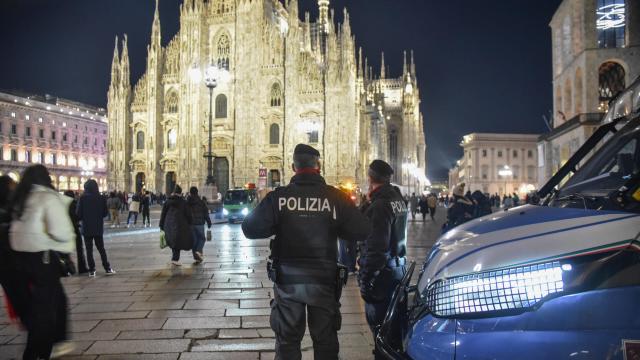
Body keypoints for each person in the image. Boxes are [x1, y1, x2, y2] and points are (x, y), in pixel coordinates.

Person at [242, 144, 370, 360]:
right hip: (323, 281)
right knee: (325, 341)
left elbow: (250, 228)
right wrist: (337, 224)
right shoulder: (335, 198)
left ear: (293, 167)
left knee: (288, 341)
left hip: (288, 281)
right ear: (318, 166)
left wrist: (277, 223)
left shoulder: (279, 197)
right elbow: (363, 229)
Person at [9, 165, 75, 359]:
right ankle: (39, 352)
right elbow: (61, 232)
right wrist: (67, 243)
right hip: (43, 259)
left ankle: (41, 346)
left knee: (40, 306)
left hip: (21, 259)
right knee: (47, 309)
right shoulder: (48, 197)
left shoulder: (22, 198)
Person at [357, 160, 408, 358]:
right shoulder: (397, 199)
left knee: (380, 332)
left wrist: (367, 277)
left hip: (382, 275)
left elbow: (377, 245)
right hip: (398, 270)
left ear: (370, 177)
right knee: (393, 332)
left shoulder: (380, 205)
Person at [0, 176, 30, 324]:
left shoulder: (13, 206)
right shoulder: (12, 208)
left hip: (12, 262)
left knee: (19, 298)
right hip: (12, 260)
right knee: (21, 298)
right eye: (12, 186)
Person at [77, 179, 115, 277]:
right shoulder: (101, 198)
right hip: (98, 227)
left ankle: (92, 270)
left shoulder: (82, 198)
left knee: (89, 250)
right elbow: (105, 213)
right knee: (101, 249)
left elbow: (78, 214)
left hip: (86, 228)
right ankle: (107, 268)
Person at [159, 185, 193, 266]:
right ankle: (175, 258)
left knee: (173, 240)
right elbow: (188, 214)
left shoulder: (167, 201)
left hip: (168, 224)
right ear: (180, 193)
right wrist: (190, 222)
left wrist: (161, 225)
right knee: (178, 240)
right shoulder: (183, 202)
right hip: (180, 224)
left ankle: (175, 258)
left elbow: (163, 214)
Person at [63, 190, 89, 274]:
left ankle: (65, 268)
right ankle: (82, 268)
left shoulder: (61, 204)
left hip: (65, 229)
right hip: (74, 228)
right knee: (79, 248)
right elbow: (77, 215)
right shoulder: (73, 203)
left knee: (65, 250)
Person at [187, 186, 212, 264]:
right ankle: (198, 252)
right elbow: (205, 213)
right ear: (197, 192)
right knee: (201, 239)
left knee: (194, 241)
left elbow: (185, 213)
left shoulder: (187, 202)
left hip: (190, 224)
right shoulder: (201, 202)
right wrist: (209, 222)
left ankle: (197, 257)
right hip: (200, 223)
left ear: (190, 193)